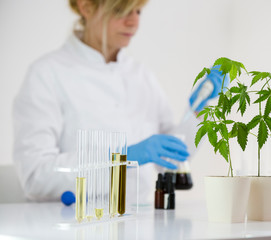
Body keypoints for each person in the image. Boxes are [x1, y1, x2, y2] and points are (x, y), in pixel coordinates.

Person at [12, 0, 228, 202]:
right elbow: (36, 176)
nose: (133, 22)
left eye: (138, 11)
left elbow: (172, 162)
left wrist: (199, 110)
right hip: (76, 224)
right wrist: (121, 158)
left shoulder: (140, 75)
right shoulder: (47, 74)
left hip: (143, 221)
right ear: (86, 7)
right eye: (121, 11)